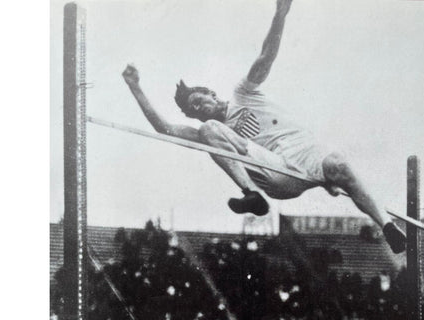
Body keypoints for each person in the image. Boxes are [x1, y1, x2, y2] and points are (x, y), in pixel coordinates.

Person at [122, 0, 406, 253]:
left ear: (212, 93)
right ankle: (251, 195)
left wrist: (280, 14)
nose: (199, 109)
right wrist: (135, 87)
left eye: (199, 100)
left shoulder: (243, 93)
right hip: (274, 170)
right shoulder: (209, 130)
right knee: (209, 132)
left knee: (340, 166)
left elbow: (265, 57)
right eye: (192, 110)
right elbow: (163, 128)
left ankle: (388, 227)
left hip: (306, 153)